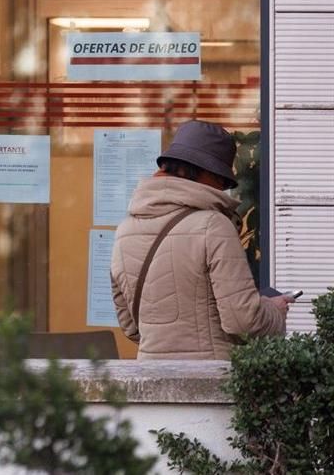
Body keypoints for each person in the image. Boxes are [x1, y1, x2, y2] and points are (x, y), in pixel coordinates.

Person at [110, 120, 290, 360]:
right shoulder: (213, 225)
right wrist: (274, 311)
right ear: (205, 173)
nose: (223, 189)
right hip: (208, 384)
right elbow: (243, 321)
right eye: (222, 180)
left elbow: (131, 327)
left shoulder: (124, 230)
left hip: (150, 381)